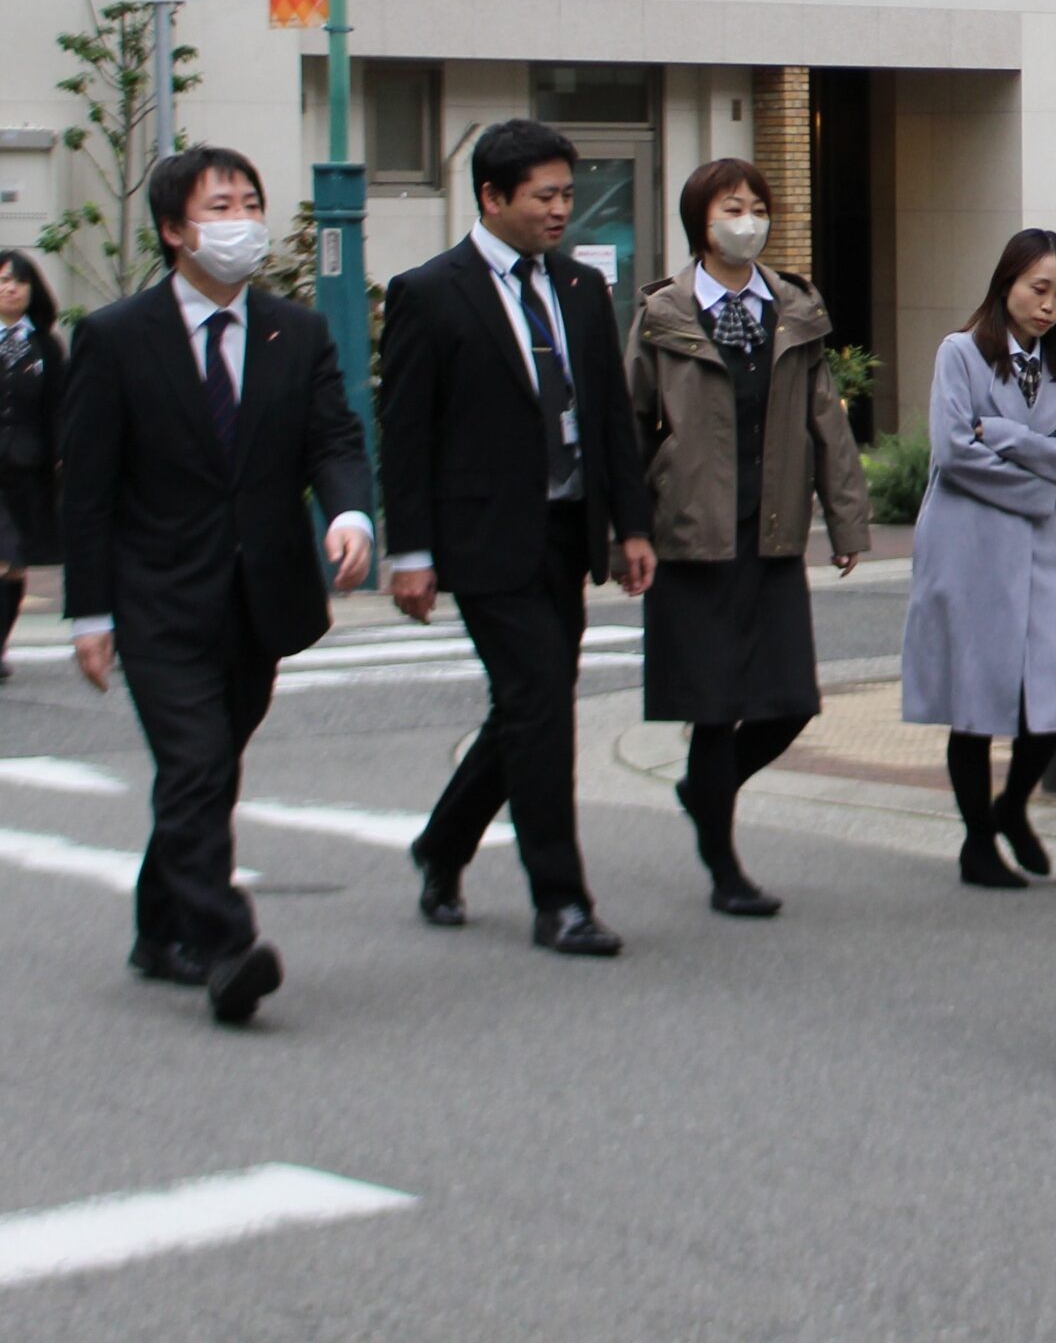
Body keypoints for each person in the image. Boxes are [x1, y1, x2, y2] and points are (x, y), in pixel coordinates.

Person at [55, 150, 372, 1023]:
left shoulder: (293, 332)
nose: (242, 222)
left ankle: (159, 930)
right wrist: (89, 613)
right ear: (174, 230)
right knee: (195, 763)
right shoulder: (117, 337)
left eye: (250, 203)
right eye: (220, 206)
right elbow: (87, 490)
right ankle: (227, 946)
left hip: (261, 595)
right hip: (156, 595)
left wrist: (349, 515)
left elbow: (333, 439)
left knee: (209, 767)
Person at [380, 119, 652, 957]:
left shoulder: (579, 287)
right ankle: (560, 900)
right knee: (539, 702)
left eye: (568, 193)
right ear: (493, 197)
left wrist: (632, 526)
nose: (562, 209)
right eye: (545, 196)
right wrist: (411, 554)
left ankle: (442, 843)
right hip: (483, 535)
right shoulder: (431, 293)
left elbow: (608, 415)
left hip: (566, 529)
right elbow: (405, 434)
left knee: (530, 705)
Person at [628, 160, 870, 916]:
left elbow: (826, 421)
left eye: (758, 208)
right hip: (691, 537)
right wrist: (623, 533)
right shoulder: (663, 313)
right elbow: (630, 425)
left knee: (789, 701)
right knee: (713, 709)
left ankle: (705, 792)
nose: (749, 221)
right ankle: (725, 868)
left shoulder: (794, 310)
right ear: (699, 222)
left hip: (771, 533)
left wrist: (846, 520)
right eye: (732, 208)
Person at [900, 229, 1056, 889]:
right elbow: (953, 450)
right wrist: (1038, 485)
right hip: (968, 544)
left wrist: (1004, 434)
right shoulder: (960, 353)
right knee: (974, 699)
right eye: (1039, 289)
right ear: (1006, 284)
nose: (1049, 306)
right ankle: (977, 842)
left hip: (1039, 547)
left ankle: (1011, 807)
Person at [0, 248, 67, 680]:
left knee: (15, 566)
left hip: (28, 468)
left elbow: (60, 407)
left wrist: (63, 456)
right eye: (4, 280)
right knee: (3, 557)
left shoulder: (45, 346)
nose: (11, 288)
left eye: (19, 281)